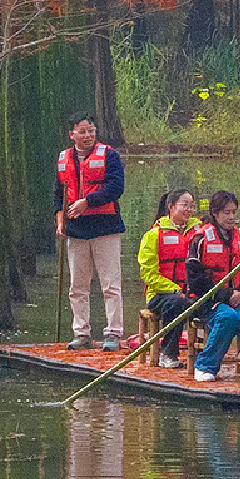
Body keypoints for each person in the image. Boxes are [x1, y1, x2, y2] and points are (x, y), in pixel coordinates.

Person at [53, 113, 126, 349]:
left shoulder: (109, 155)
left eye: (91, 131)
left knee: (110, 284)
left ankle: (113, 333)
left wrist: (88, 202)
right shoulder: (63, 158)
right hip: (76, 230)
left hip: (105, 226)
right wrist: (60, 220)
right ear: (71, 134)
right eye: (82, 131)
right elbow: (58, 195)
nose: (88, 136)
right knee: (78, 285)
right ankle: (81, 333)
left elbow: (116, 187)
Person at [187, 190, 240, 381]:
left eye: (234, 212)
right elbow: (195, 278)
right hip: (210, 303)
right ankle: (205, 366)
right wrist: (225, 294)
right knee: (227, 317)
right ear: (215, 213)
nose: (231, 217)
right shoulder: (200, 240)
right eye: (226, 213)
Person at [138, 189, 200, 365]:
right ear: (171, 207)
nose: (189, 209)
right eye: (184, 205)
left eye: (191, 206)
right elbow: (149, 274)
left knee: (211, 303)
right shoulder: (154, 235)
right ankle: (169, 353)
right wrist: (176, 289)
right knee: (177, 303)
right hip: (160, 294)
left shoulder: (199, 232)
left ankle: (203, 355)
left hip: (191, 291)